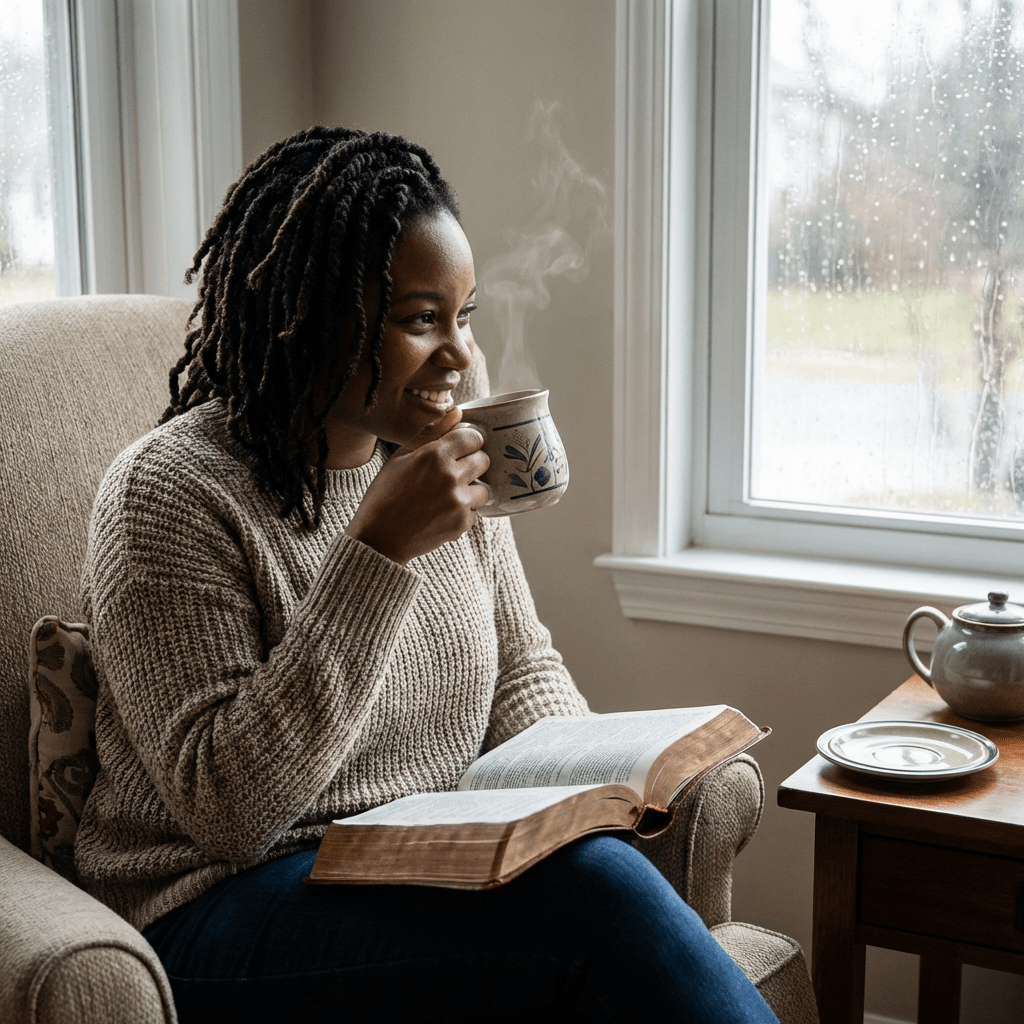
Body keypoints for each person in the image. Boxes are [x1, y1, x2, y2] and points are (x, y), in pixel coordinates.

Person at [74, 125, 778, 1023]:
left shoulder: (441, 458)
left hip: (410, 864)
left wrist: (593, 789)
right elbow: (228, 810)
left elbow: (521, 670)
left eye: (466, 316)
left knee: (595, 877)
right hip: (213, 910)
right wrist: (376, 553)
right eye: (420, 320)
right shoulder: (168, 494)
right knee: (596, 906)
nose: (460, 359)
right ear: (315, 312)